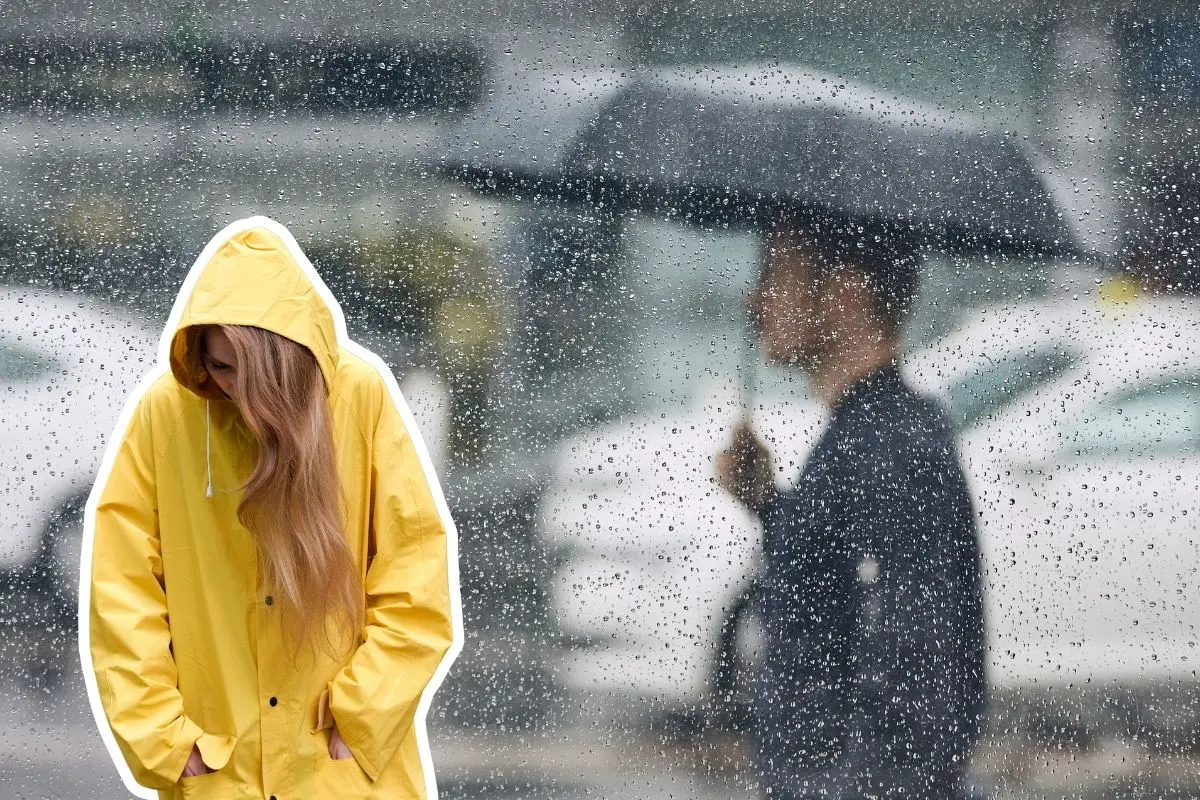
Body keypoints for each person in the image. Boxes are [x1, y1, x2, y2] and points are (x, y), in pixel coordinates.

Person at [83, 218, 458, 800]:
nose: (227, 386)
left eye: (243, 369)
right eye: (215, 366)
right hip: (220, 765)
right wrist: (163, 737)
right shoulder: (169, 412)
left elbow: (415, 568)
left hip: (343, 774)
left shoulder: (357, 395)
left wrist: (360, 717)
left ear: (284, 360)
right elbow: (122, 587)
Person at [716, 211, 986, 799]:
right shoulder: (865, 434)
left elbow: (918, 668)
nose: (753, 304)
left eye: (774, 276)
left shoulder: (891, 444)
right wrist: (766, 501)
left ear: (847, 292)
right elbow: (834, 593)